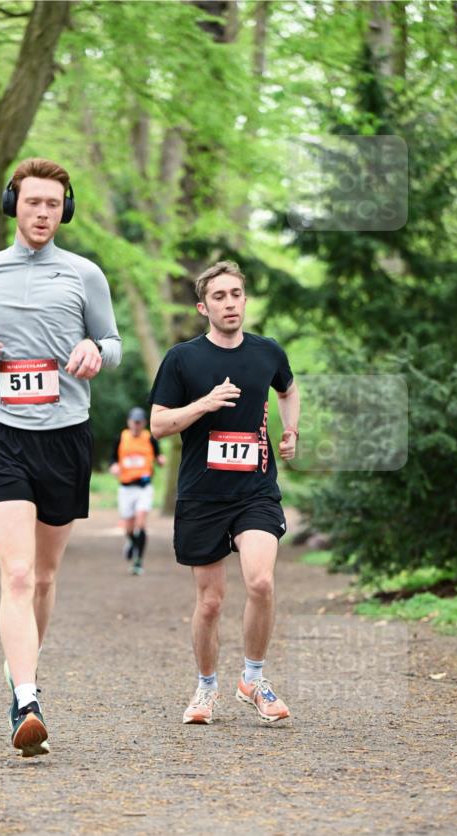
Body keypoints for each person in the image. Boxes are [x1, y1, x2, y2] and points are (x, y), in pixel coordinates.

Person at [0, 157, 121, 758]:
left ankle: (21, 667)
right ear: (12, 202)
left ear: (64, 210)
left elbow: (113, 343)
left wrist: (97, 348)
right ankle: (26, 696)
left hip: (65, 433)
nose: (42, 213)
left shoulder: (85, 274)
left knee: (43, 576)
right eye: (32, 201)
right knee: (15, 573)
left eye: (52, 204)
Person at [149, 261, 300, 726]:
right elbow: (158, 425)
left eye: (236, 294)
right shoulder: (182, 359)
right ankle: (206, 687)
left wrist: (291, 429)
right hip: (201, 494)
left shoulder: (267, 352)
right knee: (210, 601)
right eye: (219, 296)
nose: (230, 302)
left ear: (244, 300)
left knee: (261, 582)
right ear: (203, 306)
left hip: (255, 490)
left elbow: (289, 390)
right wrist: (204, 404)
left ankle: (253, 679)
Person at [109, 406, 165, 575]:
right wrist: (113, 466)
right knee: (127, 528)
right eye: (134, 422)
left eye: (139, 423)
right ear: (129, 422)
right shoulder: (121, 437)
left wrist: (161, 460)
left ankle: (138, 562)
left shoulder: (150, 438)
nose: (136, 426)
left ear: (144, 423)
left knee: (140, 524)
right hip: (126, 488)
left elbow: (158, 456)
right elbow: (112, 458)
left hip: (143, 487)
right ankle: (132, 543)